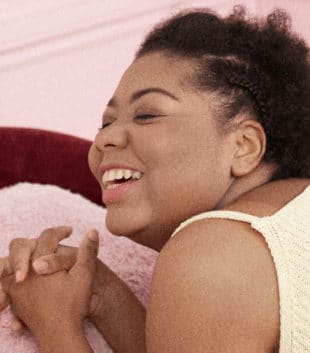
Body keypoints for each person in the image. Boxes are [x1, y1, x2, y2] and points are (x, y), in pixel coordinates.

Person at [0, 6, 309, 353]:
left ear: (243, 146)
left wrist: (54, 323)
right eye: (105, 124)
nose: (105, 139)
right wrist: (101, 293)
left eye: (147, 115)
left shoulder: (211, 254)